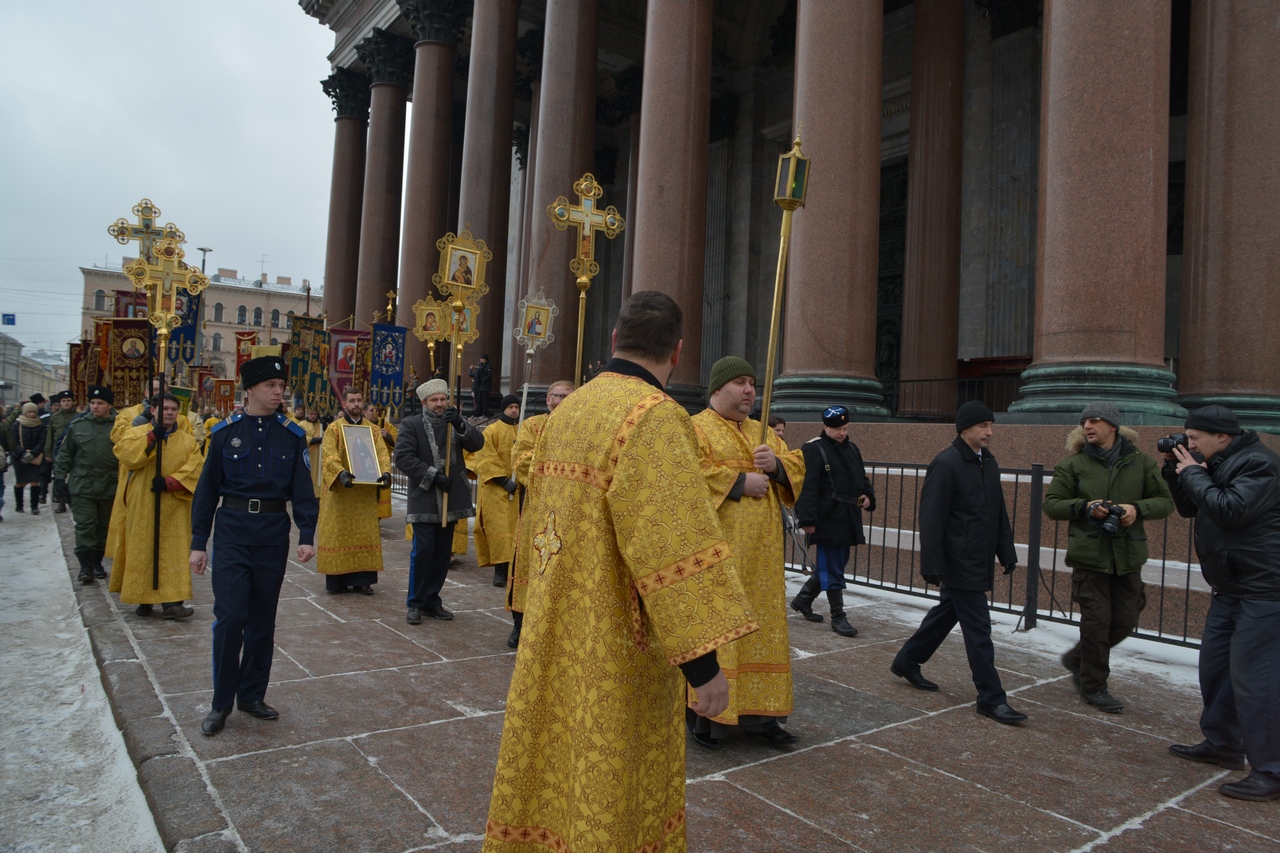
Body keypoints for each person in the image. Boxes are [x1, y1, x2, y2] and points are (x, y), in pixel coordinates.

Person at [482, 291, 756, 853]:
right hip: (616, 642)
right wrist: (704, 668)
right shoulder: (654, 418)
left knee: (556, 762)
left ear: (614, 339)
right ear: (678, 352)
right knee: (616, 780)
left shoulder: (568, 411)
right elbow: (670, 551)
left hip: (557, 627)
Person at [189, 356, 319, 736]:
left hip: (272, 535)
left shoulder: (292, 435)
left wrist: (306, 534)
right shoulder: (224, 432)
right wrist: (199, 543)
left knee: (263, 620)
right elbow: (206, 490)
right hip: (231, 533)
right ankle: (220, 703)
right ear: (251, 390)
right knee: (230, 619)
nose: (279, 392)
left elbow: (303, 491)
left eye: (281, 385)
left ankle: (251, 695)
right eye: (271, 386)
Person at [1163, 405, 1280, 802]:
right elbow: (1191, 507)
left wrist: (1193, 472)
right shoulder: (1217, 460)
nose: (1189, 443)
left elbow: (1230, 510)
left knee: (1256, 684)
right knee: (1215, 670)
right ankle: (1223, 744)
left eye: (1195, 438)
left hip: (1263, 592)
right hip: (1230, 588)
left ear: (1223, 437)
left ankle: (1271, 771)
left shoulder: (1260, 465)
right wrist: (1176, 473)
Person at [688, 356, 806, 748]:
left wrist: (775, 467)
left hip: (764, 558)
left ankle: (763, 716)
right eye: (740, 382)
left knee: (764, 632)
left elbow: (795, 464)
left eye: (752, 383)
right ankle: (708, 720)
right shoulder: (695, 428)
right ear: (717, 389)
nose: (749, 390)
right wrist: (739, 481)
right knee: (720, 632)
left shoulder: (762, 430)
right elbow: (687, 475)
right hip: (719, 556)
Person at [891, 401, 1025, 725]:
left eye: (991, 426)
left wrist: (1006, 551)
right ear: (965, 428)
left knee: (947, 613)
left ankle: (907, 660)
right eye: (983, 427)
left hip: (978, 559)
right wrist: (932, 564)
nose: (989, 433)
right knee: (979, 630)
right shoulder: (947, 463)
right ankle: (991, 698)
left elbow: (997, 514)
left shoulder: (988, 463)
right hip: (959, 561)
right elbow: (932, 518)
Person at [1042, 402, 1174, 713]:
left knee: (1125, 621)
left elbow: (1165, 502)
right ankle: (1094, 687)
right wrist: (1085, 507)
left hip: (1128, 556)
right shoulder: (1073, 465)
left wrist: (1136, 509)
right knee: (1096, 624)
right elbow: (1052, 505)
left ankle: (1077, 659)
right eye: (1084, 421)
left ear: (1112, 426)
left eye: (1095, 420)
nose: (1087, 425)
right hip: (1090, 557)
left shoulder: (1141, 463)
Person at [394, 379, 484, 623]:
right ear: (424, 402)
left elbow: (477, 444)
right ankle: (415, 602)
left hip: (451, 497)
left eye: (443, 399)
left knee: (443, 553)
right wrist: (432, 476)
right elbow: (403, 457)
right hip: (424, 496)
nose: (440, 404)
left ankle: (432, 599)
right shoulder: (411, 424)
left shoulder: (454, 422)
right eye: (434, 400)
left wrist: (460, 424)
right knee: (423, 551)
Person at [110, 393, 204, 619]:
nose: (170, 412)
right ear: (152, 411)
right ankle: (143, 598)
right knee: (143, 547)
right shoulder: (136, 433)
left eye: (174, 409)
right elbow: (127, 455)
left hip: (174, 505)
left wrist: (171, 482)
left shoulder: (187, 440)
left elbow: (196, 466)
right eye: (165, 408)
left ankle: (172, 602)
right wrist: (151, 439)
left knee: (173, 551)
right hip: (143, 501)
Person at [790, 406, 876, 637]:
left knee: (833, 565)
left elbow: (862, 477)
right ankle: (838, 616)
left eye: (845, 428)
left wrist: (868, 496)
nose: (842, 433)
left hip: (848, 517)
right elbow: (806, 487)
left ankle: (803, 600)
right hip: (826, 518)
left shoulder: (852, 448)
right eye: (838, 429)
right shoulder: (813, 448)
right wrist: (806, 519)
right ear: (826, 426)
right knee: (833, 568)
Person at [506, 379, 575, 647]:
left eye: (572, 397)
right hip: (537, 511)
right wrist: (561, 465)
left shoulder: (582, 428)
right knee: (528, 563)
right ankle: (519, 625)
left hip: (571, 510)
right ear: (549, 399)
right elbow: (521, 460)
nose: (566, 402)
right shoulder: (533, 426)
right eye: (561, 397)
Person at [316, 388, 390, 595]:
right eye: (352, 401)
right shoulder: (334, 429)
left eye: (359, 401)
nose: (356, 404)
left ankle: (363, 581)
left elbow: (382, 454)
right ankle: (337, 582)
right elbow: (329, 455)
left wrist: (385, 473)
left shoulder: (373, 431)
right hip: (341, 492)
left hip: (364, 492)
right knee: (339, 533)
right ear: (345, 404)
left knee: (365, 533)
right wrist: (340, 473)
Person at [52, 386, 118, 583]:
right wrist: (58, 478)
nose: (95, 407)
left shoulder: (120, 427)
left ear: (109, 405)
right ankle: (85, 566)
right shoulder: (78, 425)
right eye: (93, 403)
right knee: (85, 525)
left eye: (100, 403)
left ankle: (97, 562)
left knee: (103, 527)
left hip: (110, 485)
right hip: (83, 485)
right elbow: (65, 454)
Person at [472, 394, 522, 588]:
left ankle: (515, 569)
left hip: (518, 489)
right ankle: (500, 571)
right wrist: (503, 480)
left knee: (517, 530)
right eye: (510, 407)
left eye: (516, 407)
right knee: (501, 530)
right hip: (497, 490)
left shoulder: (523, 430)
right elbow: (485, 458)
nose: (514, 410)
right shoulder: (492, 430)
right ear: (503, 409)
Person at [9, 402, 47, 515]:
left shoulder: (40, 425)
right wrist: (22, 453)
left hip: (34, 458)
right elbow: (13, 442)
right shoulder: (16, 425)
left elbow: (42, 441)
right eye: (29, 412)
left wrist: (34, 453)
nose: (32, 414)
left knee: (35, 481)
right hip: (19, 458)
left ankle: (34, 506)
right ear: (25, 412)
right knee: (20, 482)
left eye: (34, 412)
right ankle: (19, 505)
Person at [44, 392, 78, 514]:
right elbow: (50, 437)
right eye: (63, 401)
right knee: (58, 477)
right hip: (58, 451)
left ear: (73, 402)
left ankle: (73, 500)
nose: (66, 403)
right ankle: (61, 502)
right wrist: (48, 453)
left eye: (68, 400)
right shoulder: (54, 418)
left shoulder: (78, 416)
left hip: (74, 452)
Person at [300, 409, 324, 490]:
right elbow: (299, 437)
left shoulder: (320, 424)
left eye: (315, 414)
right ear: (307, 414)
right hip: (308, 453)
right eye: (311, 414)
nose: (313, 416)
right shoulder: (302, 424)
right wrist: (311, 440)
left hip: (319, 453)